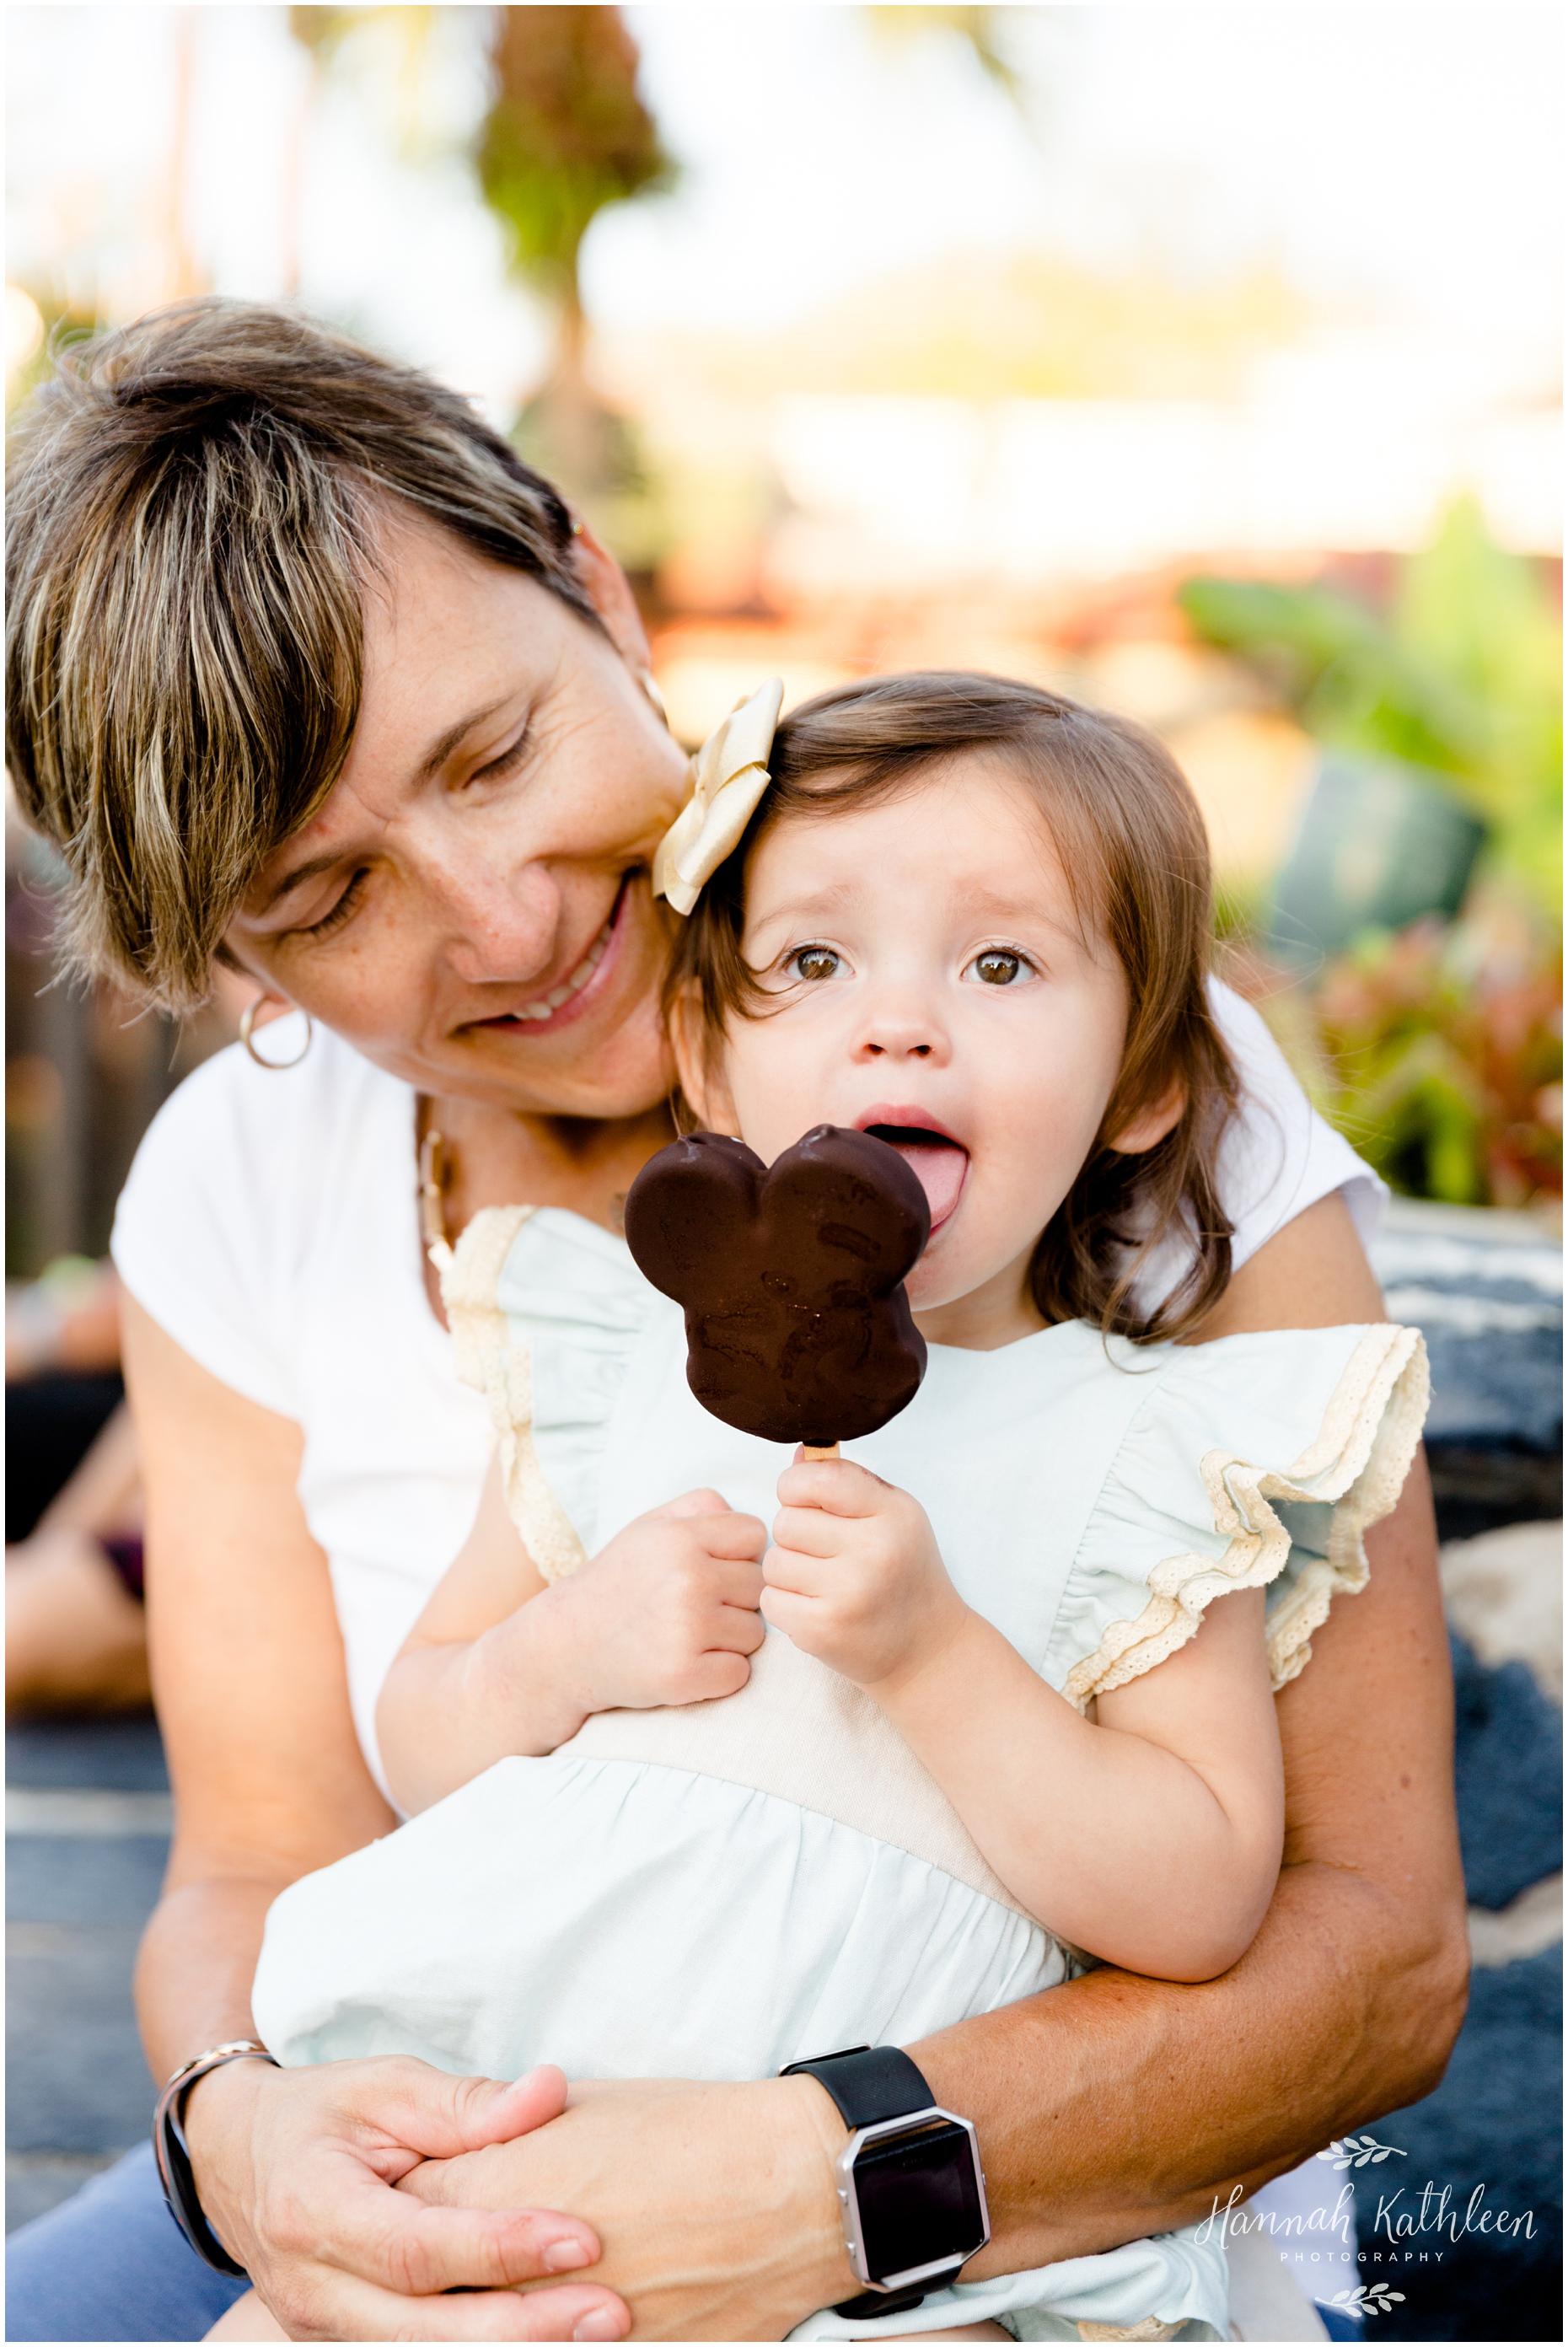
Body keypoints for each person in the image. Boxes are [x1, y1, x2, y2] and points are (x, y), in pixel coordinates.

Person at [3, 300, 1467, 2346]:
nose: (507, 924)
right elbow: (259, 1862)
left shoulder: (1065, 1072)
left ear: (593, 587)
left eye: (498, 752)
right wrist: (245, 2144)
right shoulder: (245, 1200)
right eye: (328, 898)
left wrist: (825, 2185)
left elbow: (1375, 1958)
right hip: (461, 2183)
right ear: (232, 968)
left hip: (1028, 2232)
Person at [239, 674, 1431, 2344]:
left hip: (937, 2270)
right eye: (812, 963)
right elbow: (423, 1740)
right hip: (523, 2158)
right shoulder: (619, 1383)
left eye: (1001, 964)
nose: (899, 1022)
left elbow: (1206, 1895)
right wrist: (565, 1650)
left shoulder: (1148, 1454)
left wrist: (940, 1660)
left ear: (1148, 1084)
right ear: (709, 1066)